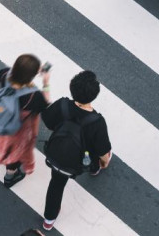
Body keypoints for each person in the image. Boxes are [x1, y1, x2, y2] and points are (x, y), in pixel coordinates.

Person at [39, 71, 112, 232]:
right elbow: (103, 153)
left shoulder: (63, 105)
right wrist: (104, 162)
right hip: (80, 160)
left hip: (56, 155)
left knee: (56, 185)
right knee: (94, 159)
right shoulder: (97, 122)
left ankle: (49, 220)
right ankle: (94, 169)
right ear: (94, 95)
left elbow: (49, 122)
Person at [0, 54, 51, 187]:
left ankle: (6, 161)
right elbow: (46, 106)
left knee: (5, 145)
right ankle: (10, 176)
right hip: (17, 129)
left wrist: (28, 69)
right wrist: (46, 84)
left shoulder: (5, 75)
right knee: (15, 152)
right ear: (32, 76)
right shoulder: (33, 96)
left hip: (2, 120)